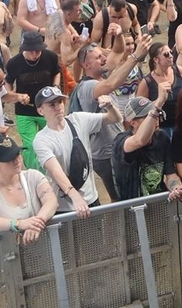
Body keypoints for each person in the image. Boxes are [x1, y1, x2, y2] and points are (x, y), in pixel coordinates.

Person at [70, 40, 148, 202]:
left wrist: (118, 34)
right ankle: (119, 219)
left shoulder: (102, 76)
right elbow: (111, 85)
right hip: (105, 154)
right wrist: (135, 57)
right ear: (86, 65)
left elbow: (118, 51)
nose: (104, 59)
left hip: (117, 146)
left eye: (103, 55)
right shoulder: (88, 87)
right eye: (98, 57)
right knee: (120, 199)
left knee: (129, 193)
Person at [33, 85, 121, 217]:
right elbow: (55, 171)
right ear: (40, 111)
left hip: (91, 198)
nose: (58, 107)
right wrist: (74, 196)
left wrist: (110, 106)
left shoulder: (78, 120)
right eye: (52, 104)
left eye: (60, 102)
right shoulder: (41, 139)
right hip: (64, 206)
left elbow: (115, 118)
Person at [0, 135, 58, 246]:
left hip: (42, 246)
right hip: (6, 251)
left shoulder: (33, 176)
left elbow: (51, 201)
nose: (17, 160)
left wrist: (35, 223)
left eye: (18, 154)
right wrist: (19, 224)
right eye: (10, 159)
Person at [111, 96, 182, 201]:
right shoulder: (121, 141)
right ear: (133, 122)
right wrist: (157, 105)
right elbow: (139, 140)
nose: (155, 119)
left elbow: (171, 175)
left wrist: (176, 188)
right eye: (148, 116)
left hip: (159, 204)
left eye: (157, 114)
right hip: (134, 207)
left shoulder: (162, 137)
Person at [6, 32, 61, 169]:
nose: (35, 54)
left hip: (47, 107)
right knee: (30, 144)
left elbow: (56, 72)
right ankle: (34, 173)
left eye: (38, 50)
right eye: (31, 51)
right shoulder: (14, 63)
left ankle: (52, 171)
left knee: (51, 140)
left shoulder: (50, 57)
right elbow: (8, 83)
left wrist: (55, 87)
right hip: (25, 109)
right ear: (24, 49)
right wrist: (16, 96)